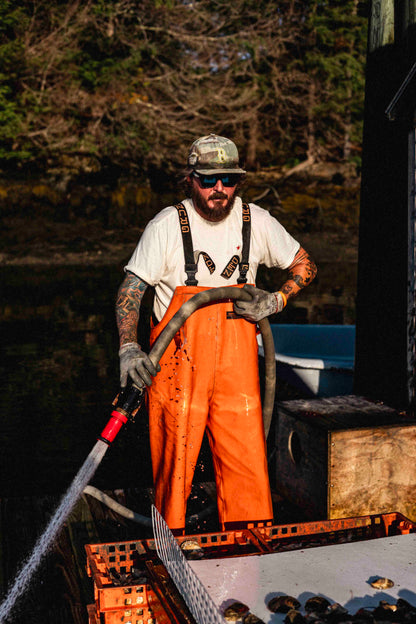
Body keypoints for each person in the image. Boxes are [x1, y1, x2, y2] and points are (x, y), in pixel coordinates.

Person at [116, 133, 317, 534]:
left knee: (247, 464)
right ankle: (170, 547)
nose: (218, 189)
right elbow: (131, 290)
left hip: (237, 366)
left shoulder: (256, 222)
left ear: (238, 180)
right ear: (190, 179)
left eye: (227, 179)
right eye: (208, 180)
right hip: (177, 365)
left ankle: (250, 550)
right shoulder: (167, 226)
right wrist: (128, 348)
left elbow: (304, 265)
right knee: (175, 465)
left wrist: (276, 300)